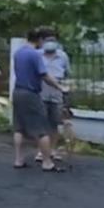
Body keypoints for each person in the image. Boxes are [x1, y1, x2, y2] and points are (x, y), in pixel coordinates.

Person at [12, 29, 68, 172]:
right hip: (31, 93)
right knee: (42, 128)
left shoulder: (18, 53)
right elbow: (44, 75)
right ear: (40, 40)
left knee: (19, 127)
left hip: (18, 91)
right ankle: (47, 162)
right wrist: (59, 87)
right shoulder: (35, 55)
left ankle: (18, 159)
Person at [35, 29, 71, 163]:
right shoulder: (37, 55)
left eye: (53, 40)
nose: (50, 43)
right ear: (42, 42)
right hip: (41, 89)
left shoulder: (63, 56)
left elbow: (67, 73)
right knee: (41, 122)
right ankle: (41, 150)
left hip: (57, 90)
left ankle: (53, 149)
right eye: (47, 40)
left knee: (55, 122)